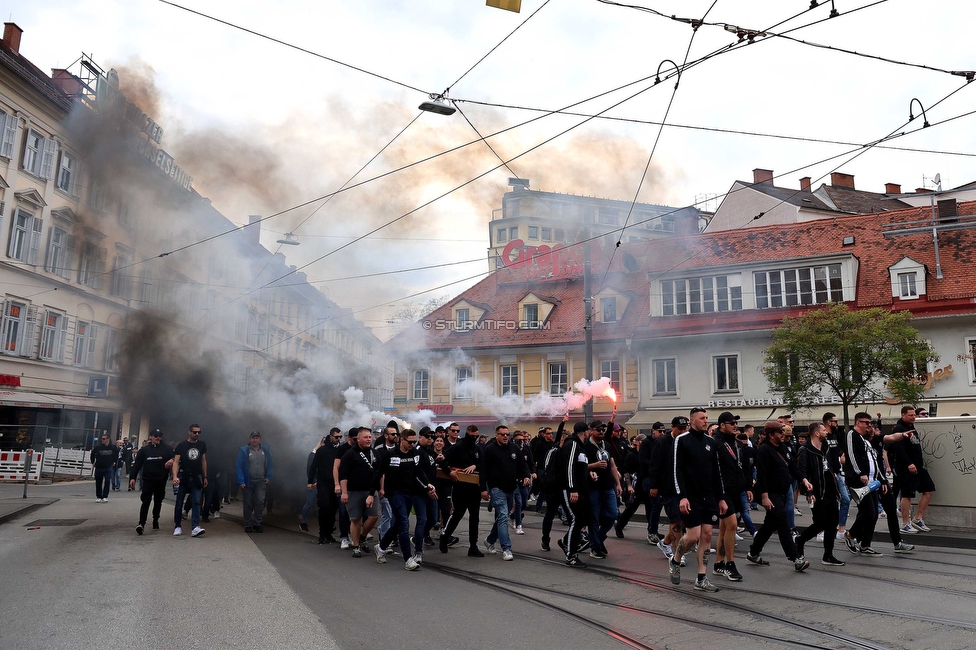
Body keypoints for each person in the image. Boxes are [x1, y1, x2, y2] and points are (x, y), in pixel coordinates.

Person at [669, 408, 725, 591]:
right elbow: (677, 470)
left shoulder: (711, 441)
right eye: (702, 418)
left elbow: (717, 472)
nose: (705, 421)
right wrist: (682, 497)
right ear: (692, 421)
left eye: (707, 418)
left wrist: (721, 498)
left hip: (708, 496)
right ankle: (675, 560)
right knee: (693, 536)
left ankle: (701, 578)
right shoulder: (682, 440)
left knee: (707, 535)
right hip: (690, 497)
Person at [373, 428, 436, 570]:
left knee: (397, 525)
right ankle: (408, 559)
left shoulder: (415, 454)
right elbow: (379, 473)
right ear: (402, 440)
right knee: (403, 523)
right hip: (394, 493)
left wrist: (427, 484)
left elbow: (419, 471)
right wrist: (372, 493)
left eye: (414, 442)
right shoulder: (390, 455)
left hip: (409, 492)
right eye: (410, 442)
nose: (412, 444)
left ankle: (381, 547)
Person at [795, 422, 845, 566]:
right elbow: (802, 472)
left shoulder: (825, 448)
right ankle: (800, 540)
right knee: (820, 523)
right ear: (816, 433)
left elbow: (827, 468)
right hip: (817, 493)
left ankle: (828, 555)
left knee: (832, 523)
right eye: (824, 430)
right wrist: (809, 491)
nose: (826, 432)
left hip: (830, 491)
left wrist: (836, 488)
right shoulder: (805, 450)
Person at [482, 424, 531, 561]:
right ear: (497, 435)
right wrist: (483, 489)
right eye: (502, 434)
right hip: (496, 488)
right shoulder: (490, 449)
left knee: (502, 517)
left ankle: (490, 540)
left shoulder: (514, 448)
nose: (505, 437)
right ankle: (506, 548)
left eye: (507, 434)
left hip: (511, 487)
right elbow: (484, 471)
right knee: (503, 516)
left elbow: (523, 465)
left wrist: (526, 476)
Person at [842, 413, 888, 556]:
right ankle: (850, 534)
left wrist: (883, 480)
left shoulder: (865, 440)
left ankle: (865, 545)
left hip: (871, 482)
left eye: (870, 423)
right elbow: (851, 455)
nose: (869, 425)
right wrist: (860, 472)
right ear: (857, 423)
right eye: (866, 422)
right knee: (868, 511)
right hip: (860, 481)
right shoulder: (852, 435)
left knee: (873, 514)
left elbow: (875, 461)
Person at [886, 405, 936, 534]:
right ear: (903, 415)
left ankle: (918, 519)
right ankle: (905, 523)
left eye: (914, 415)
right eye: (911, 415)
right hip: (906, 468)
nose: (914, 417)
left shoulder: (911, 427)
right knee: (907, 495)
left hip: (918, 467)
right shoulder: (899, 429)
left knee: (929, 489)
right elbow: (899, 449)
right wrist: (909, 463)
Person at [713, 412, 748, 581]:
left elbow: (740, 466)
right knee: (732, 525)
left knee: (724, 529)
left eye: (736, 423)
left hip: (735, 490)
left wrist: (747, 487)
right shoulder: (716, 443)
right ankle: (730, 564)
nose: (735, 425)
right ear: (722, 425)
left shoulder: (735, 443)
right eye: (731, 423)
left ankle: (719, 563)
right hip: (722, 491)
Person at [439, 425, 484, 557]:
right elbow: (441, 459)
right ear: (467, 433)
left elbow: (483, 463)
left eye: (477, 436)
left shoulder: (476, 448)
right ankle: (445, 536)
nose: (475, 438)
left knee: (474, 517)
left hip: (474, 487)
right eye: (472, 435)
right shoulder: (458, 446)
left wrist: (475, 465)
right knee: (458, 514)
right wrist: (449, 472)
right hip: (460, 486)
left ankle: (473, 546)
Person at [338, 427, 380, 558]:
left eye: (370, 437)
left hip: (371, 491)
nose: (369, 439)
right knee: (356, 519)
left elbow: (380, 472)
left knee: (374, 516)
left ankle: (362, 537)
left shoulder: (374, 453)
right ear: (358, 439)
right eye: (366, 437)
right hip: (354, 491)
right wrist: (344, 493)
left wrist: (382, 488)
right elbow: (343, 475)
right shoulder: (349, 454)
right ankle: (356, 546)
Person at [583, 420, 622, 560]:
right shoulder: (586, 446)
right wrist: (594, 466)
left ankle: (598, 538)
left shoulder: (607, 445)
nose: (601, 432)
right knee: (593, 518)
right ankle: (595, 547)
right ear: (591, 430)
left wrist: (618, 484)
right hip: (593, 488)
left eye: (603, 430)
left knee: (613, 514)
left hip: (608, 486)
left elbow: (612, 465)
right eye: (598, 429)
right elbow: (581, 466)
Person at [558, 421, 592, 567]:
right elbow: (569, 467)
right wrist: (572, 489)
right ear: (584, 432)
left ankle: (567, 542)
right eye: (589, 431)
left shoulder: (580, 446)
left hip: (580, 490)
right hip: (570, 490)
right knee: (575, 520)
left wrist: (589, 473)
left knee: (581, 520)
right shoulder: (572, 444)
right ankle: (571, 556)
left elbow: (579, 467)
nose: (590, 433)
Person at [129, 428, 174, 535]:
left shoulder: (167, 449)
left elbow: (176, 458)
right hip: (148, 480)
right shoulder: (144, 450)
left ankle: (155, 519)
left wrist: (172, 460)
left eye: (159, 436)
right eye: (155, 436)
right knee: (146, 501)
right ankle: (141, 523)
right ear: (151, 437)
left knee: (158, 501)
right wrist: (132, 477)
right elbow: (137, 465)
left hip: (161, 479)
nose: (158, 438)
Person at [172, 424, 208, 538]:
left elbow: (203, 461)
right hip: (184, 477)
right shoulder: (182, 445)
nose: (197, 434)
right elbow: (176, 462)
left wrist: (205, 476)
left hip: (197, 477)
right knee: (179, 503)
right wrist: (174, 476)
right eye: (194, 432)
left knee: (196, 502)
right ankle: (178, 526)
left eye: (199, 432)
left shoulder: (202, 445)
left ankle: (195, 527)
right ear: (189, 432)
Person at [307, 429, 342, 544]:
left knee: (333, 509)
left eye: (340, 437)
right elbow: (314, 466)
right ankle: (322, 534)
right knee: (324, 508)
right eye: (336, 437)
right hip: (324, 484)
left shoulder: (340, 450)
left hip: (336, 484)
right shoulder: (322, 450)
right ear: (330, 437)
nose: (338, 439)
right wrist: (310, 481)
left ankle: (328, 533)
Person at [236, 431, 273, 534]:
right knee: (247, 504)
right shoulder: (244, 451)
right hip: (248, 482)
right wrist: (241, 481)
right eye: (253, 438)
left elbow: (270, 464)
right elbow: (239, 466)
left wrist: (268, 476)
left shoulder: (265, 450)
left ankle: (257, 523)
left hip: (261, 481)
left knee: (260, 502)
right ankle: (248, 524)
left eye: (257, 438)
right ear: (250, 439)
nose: (255, 440)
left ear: (260, 439)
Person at [300, 433, 332, 533]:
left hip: (324, 482)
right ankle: (303, 522)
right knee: (309, 503)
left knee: (326, 504)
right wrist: (313, 482)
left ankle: (327, 525)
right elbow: (310, 469)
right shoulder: (313, 454)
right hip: (315, 483)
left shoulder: (328, 452)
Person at [511, 430, 535, 535]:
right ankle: (519, 525)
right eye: (518, 440)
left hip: (524, 480)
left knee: (524, 502)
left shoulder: (526, 449)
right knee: (518, 502)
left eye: (522, 440)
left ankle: (513, 515)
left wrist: (532, 473)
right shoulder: (510, 449)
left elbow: (530, 463)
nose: (521, 442)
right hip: (513, 480)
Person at [90, 434, 117, 503]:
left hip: (108, 467)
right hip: (99, 467)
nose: (102, 440)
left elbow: (116, 455)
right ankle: (99, 496)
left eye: (104, 439)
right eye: (102, 439)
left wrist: (114, 462)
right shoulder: (98, 447)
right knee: (98, 482)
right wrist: (93, 462)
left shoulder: (113, 447)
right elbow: (92, 454)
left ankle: (105, 496)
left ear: (108, 439)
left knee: (107, 481)